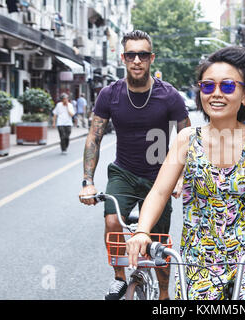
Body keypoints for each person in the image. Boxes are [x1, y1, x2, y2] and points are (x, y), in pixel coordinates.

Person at [125, 46, 245, 300]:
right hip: (200, 260)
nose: (216, 94)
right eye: (208, 86)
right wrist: (142, 231)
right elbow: (160, 191)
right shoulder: (186, 139)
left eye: (228, 86)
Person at [78, 30, 191, 300]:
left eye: (142, 54)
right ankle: (119, 278)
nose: (137, 60)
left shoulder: (169, 95)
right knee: (112, 220)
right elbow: (94, 136)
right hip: (124, 173)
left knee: (159, 243)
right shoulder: (109, 94)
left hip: (159, 177)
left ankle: (164, 293)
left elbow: (187, 139)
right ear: (123, 58)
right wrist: (88, 182)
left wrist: (179, 177)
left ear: (151, 58)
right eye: (131, 55)